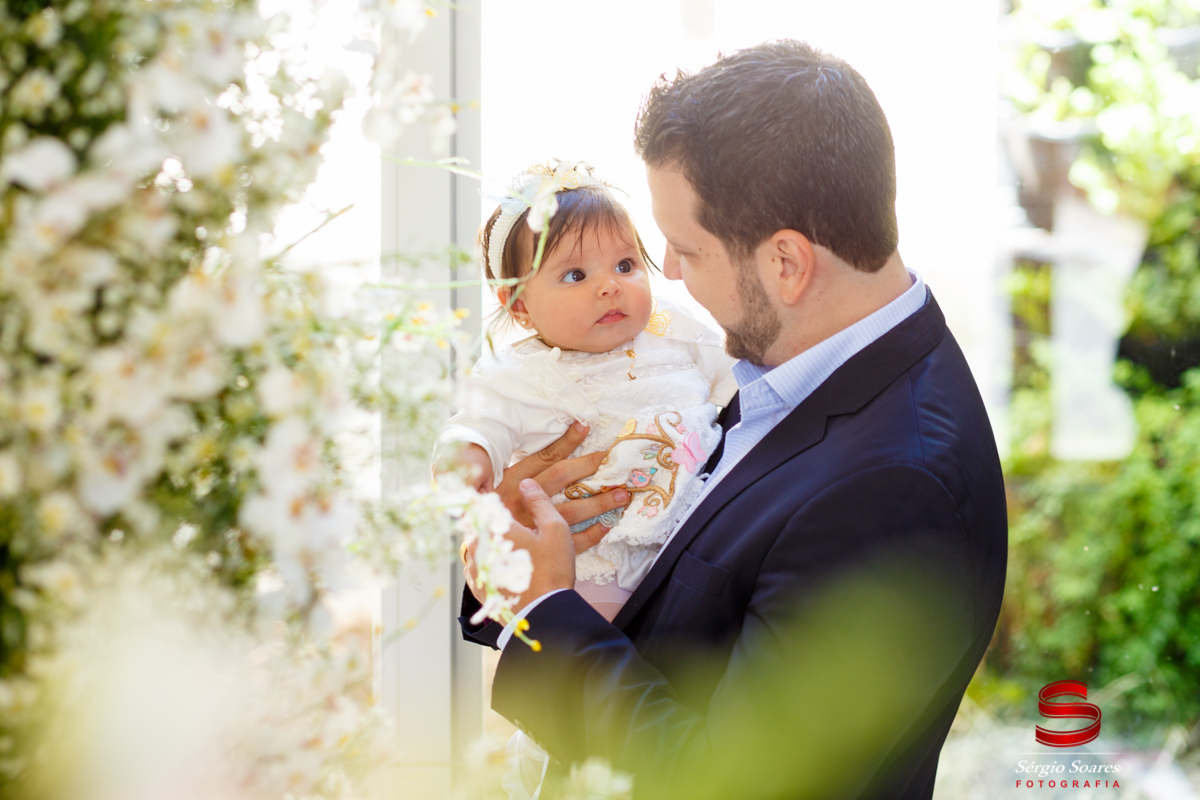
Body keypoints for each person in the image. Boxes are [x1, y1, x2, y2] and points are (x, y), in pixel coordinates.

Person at [459, 40, 1007, 800]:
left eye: (685, 249)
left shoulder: (894, 490)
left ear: (786, 263)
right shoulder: (792, 360)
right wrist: (534, 539)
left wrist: (546, 611)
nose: (667, 274)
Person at [437, 160, 735, 624]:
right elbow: (477, 422)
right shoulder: (515, 371)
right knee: (592, 648)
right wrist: (470, 456)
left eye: (625, 264)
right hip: (591, 562)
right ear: (519, 306)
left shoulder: (675, 328)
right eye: (576, 275)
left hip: (697, 541)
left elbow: (738, 381)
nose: (610, 286)